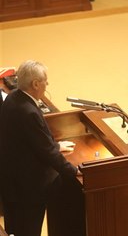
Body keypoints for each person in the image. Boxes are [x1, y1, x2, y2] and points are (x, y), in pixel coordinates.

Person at [0, 60, 79, 236]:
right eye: (45, 80)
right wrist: (74, 172)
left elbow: (30, 140)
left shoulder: (13, 97)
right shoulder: (28, 111)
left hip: (10, 181)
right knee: (28, 230)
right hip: (27, 188)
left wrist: (56, 145)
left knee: (15, 227)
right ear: (35, 84)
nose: (47, 84)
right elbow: (47, 152)